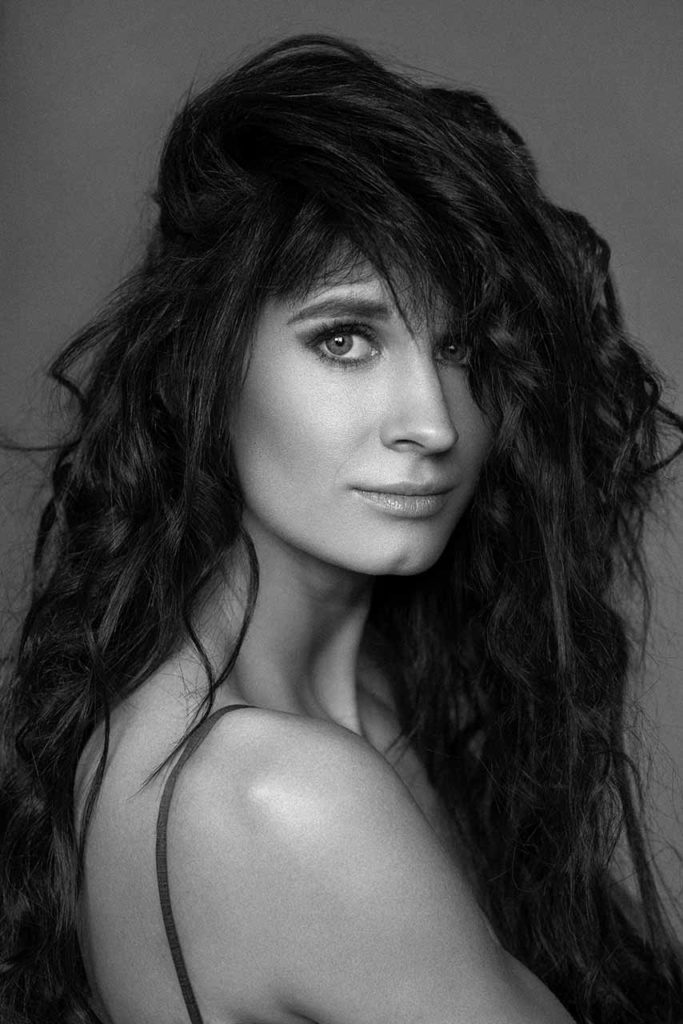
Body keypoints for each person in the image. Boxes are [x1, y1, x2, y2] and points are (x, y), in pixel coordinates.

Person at [1, 32, 682, 1024]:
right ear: (205, 368)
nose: (432, 423)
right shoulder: (275, 794)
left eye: (460, 347)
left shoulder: (374, 697)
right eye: (345, 337)